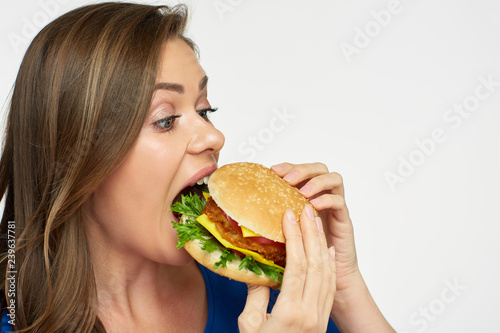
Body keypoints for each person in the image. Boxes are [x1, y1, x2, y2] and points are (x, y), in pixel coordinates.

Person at [0, 2, 394, 332]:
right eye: (166, 119)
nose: (213, 137)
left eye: (205, 110)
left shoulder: (278, 300)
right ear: (77, 156)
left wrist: (343, 288)